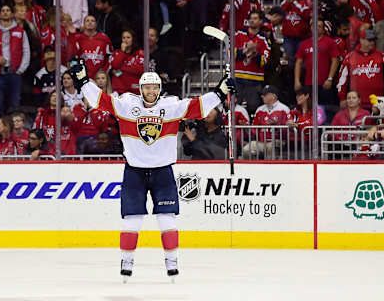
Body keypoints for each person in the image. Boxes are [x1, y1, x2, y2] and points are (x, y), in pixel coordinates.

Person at [69, 57, 235, 281]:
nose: (150, 90)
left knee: (167, 218)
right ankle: (126, 262)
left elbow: (197, 107)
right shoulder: (127, 104)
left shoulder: (171, 106)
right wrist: (83, 83)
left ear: (159, 88)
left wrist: (220, 92)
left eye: (154, 87)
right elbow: (101, 100)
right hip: (134, 171)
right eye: (147, 87)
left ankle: (172, 261)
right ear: (141, 88)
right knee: (132, 219)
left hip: (162, 171)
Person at [0, 4, 30, 128]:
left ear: (12, 14)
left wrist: (21, 69)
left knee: (15, 107)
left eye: (8, 10)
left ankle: (15, 137)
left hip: (14, 74)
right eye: (3, 10)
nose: (5, 12)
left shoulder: (20, 32)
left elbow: (26, 52)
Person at [336, 29, 384, 110]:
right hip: (356, 103)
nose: (372, 42)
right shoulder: (350, 57)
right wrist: (342, 98)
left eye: (373, 40)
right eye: (369, 40)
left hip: (377, 104)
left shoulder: (381, 56)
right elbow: (342, 79)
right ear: (361, 40)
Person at [294, 18, 340, 113]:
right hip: (309, 83)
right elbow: (298, 62)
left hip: (325, 83)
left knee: (326, 110)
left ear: (323, 29)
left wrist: (330, 78)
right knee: (309, 109)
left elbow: (335, 60)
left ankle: (324, 128)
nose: (316, 28)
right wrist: (297, 81)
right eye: (313, 26)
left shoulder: (330, 42)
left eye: (319, 26)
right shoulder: (304, 44)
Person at [234, 10, 271, 115]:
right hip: (238, 78)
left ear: (260, 21)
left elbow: (264, 61)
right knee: (234, 108)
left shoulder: (264, 39)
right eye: (251, 18)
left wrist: (255, 53)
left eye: (255, 18)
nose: (252, 21)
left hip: (255, 81)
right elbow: (230, 53)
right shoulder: (238, 34)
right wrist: (244, 51)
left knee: (253, 109)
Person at [242, 85, 290, 158]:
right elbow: (254, 130)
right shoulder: (259, 109)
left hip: (277, 141)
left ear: (273, 96)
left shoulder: (284, 109)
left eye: (265, 95)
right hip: (261, 142)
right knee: (246, 150)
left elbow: (288, 131)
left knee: (271, 148)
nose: (262, 96)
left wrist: (277, 125)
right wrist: (246, 127)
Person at [33, 91, 79, 155]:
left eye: (57, 97)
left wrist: (68, 116)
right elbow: (35, 130)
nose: (55, 98)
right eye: (53, 96)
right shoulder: (42, 113)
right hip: (46, 149)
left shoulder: (66, 114)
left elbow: (76, 128)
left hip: (64, 149)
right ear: (49, 98)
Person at [69, 14, 112, 79]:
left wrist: (104, 72)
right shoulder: (77, 38)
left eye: (92, 21)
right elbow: (71, 57)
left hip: (99, 78)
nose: (90, 22)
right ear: (83, 24)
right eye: (87, 21)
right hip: (82, 77)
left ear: (96, 24)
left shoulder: (104, 38)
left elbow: (110, 57)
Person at [281, 0, 312, 67]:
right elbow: (282, 11)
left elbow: (305, 14)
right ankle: (291, 79)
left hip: (302, 37)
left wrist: (294, 2)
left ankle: (300, 79)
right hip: (288, 38)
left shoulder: (306, 1)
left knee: (302, 62)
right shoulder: (285, 2)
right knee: (290, 62)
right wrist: (288, 0)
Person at [109, 29, 144, 95]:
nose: (125, 40)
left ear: (133, 39)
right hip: (119, 90)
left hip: (135, 90)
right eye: (124, 38)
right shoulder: (117, 53)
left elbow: (140, 70)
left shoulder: (140, 53)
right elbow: (114, 66)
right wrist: (122, 52)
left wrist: (121, 69)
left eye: (128, 37)